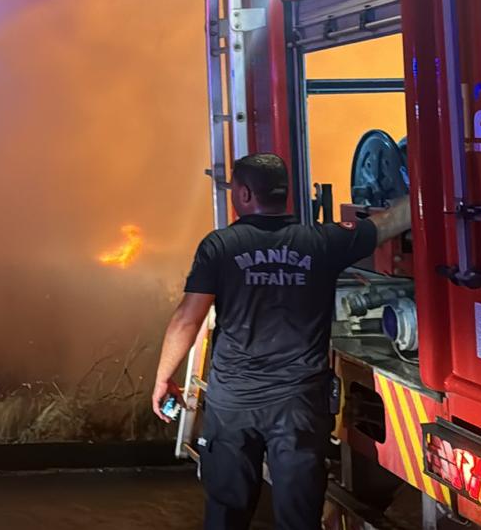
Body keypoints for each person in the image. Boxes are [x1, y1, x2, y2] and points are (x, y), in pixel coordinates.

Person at [151, 153, 411, 530]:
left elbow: (187, 320)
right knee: (299, 516)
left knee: (227, 511)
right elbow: (388, 223)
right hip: (299, 405)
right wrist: (432, 184)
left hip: (234, 404)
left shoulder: (221, 246)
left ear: (242, 193)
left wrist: (163, 379)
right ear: (285, 194)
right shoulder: (323, 242)